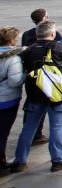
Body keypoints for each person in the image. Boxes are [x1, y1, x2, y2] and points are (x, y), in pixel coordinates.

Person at [8, 20, 62, 173]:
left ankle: (20, 160)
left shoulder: (27, 51)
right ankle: (58, 159)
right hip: (57, 94)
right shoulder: (60, 47)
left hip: (35, 94)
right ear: (52, 33)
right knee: (57, 127)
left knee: (29, 127)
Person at [0, 27, 25, 175]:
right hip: (6, 100)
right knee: (2, 133)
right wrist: (25, 76)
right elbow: (15, 81)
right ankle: (1, 164)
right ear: (11, 40)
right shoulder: (12, 58)